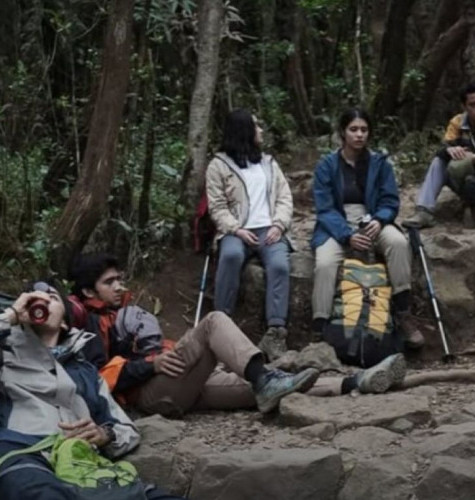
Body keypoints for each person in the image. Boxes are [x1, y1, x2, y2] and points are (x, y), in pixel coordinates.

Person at [69, 254, 409, 416]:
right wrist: (151, 366)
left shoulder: (116, 313)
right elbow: (99, 377)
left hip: (174, 387)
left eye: (119, 278)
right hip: (149, 393)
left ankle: (355, 383)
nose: (119, 286)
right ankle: (265, 378)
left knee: (261, 389)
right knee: (214, 320)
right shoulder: (86, 325)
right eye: (109, 282)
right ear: (87, 291)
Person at [0, 281, 183, 500]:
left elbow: (126, 428)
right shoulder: (5, 355)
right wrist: (11, 315)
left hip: (84, 464)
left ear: (65, 323)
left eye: (53, 298)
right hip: (24, 456)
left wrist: (105, 434)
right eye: (35, 297)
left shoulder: (86, 371)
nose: (44, 301)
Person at [310, 108, 425, 349]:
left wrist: (380, 219)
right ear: (343, 132)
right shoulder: (327, 166)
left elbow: (390, 200)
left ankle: (403, 313)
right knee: (324, 262)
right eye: (353, 129)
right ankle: (320, 327)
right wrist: (347, 235)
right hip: (338, 224)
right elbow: (325, 208)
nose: (359, 135)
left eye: (364, 130)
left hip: (373, 220)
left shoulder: (379, 163)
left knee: (398, 243)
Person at [206, 108, 293, 361]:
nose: (261, 131)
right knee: (231, 255)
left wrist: (278, 224)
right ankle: (221, 324)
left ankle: (275, 332)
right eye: (256, 126)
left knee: (279, 265)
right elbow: (217, 206)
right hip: (237, 228)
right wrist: (236, 229)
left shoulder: (268, 163)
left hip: (269, 228)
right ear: (244, 131)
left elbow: (285, 198)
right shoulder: (218, 166)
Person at [404, 82, 475, 228]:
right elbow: (443, 146)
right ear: (464, 107)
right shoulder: (457, 122)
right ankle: (424, 211)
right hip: (466, 178)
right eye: (472, 105)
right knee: (439, 162)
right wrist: (448, 150)